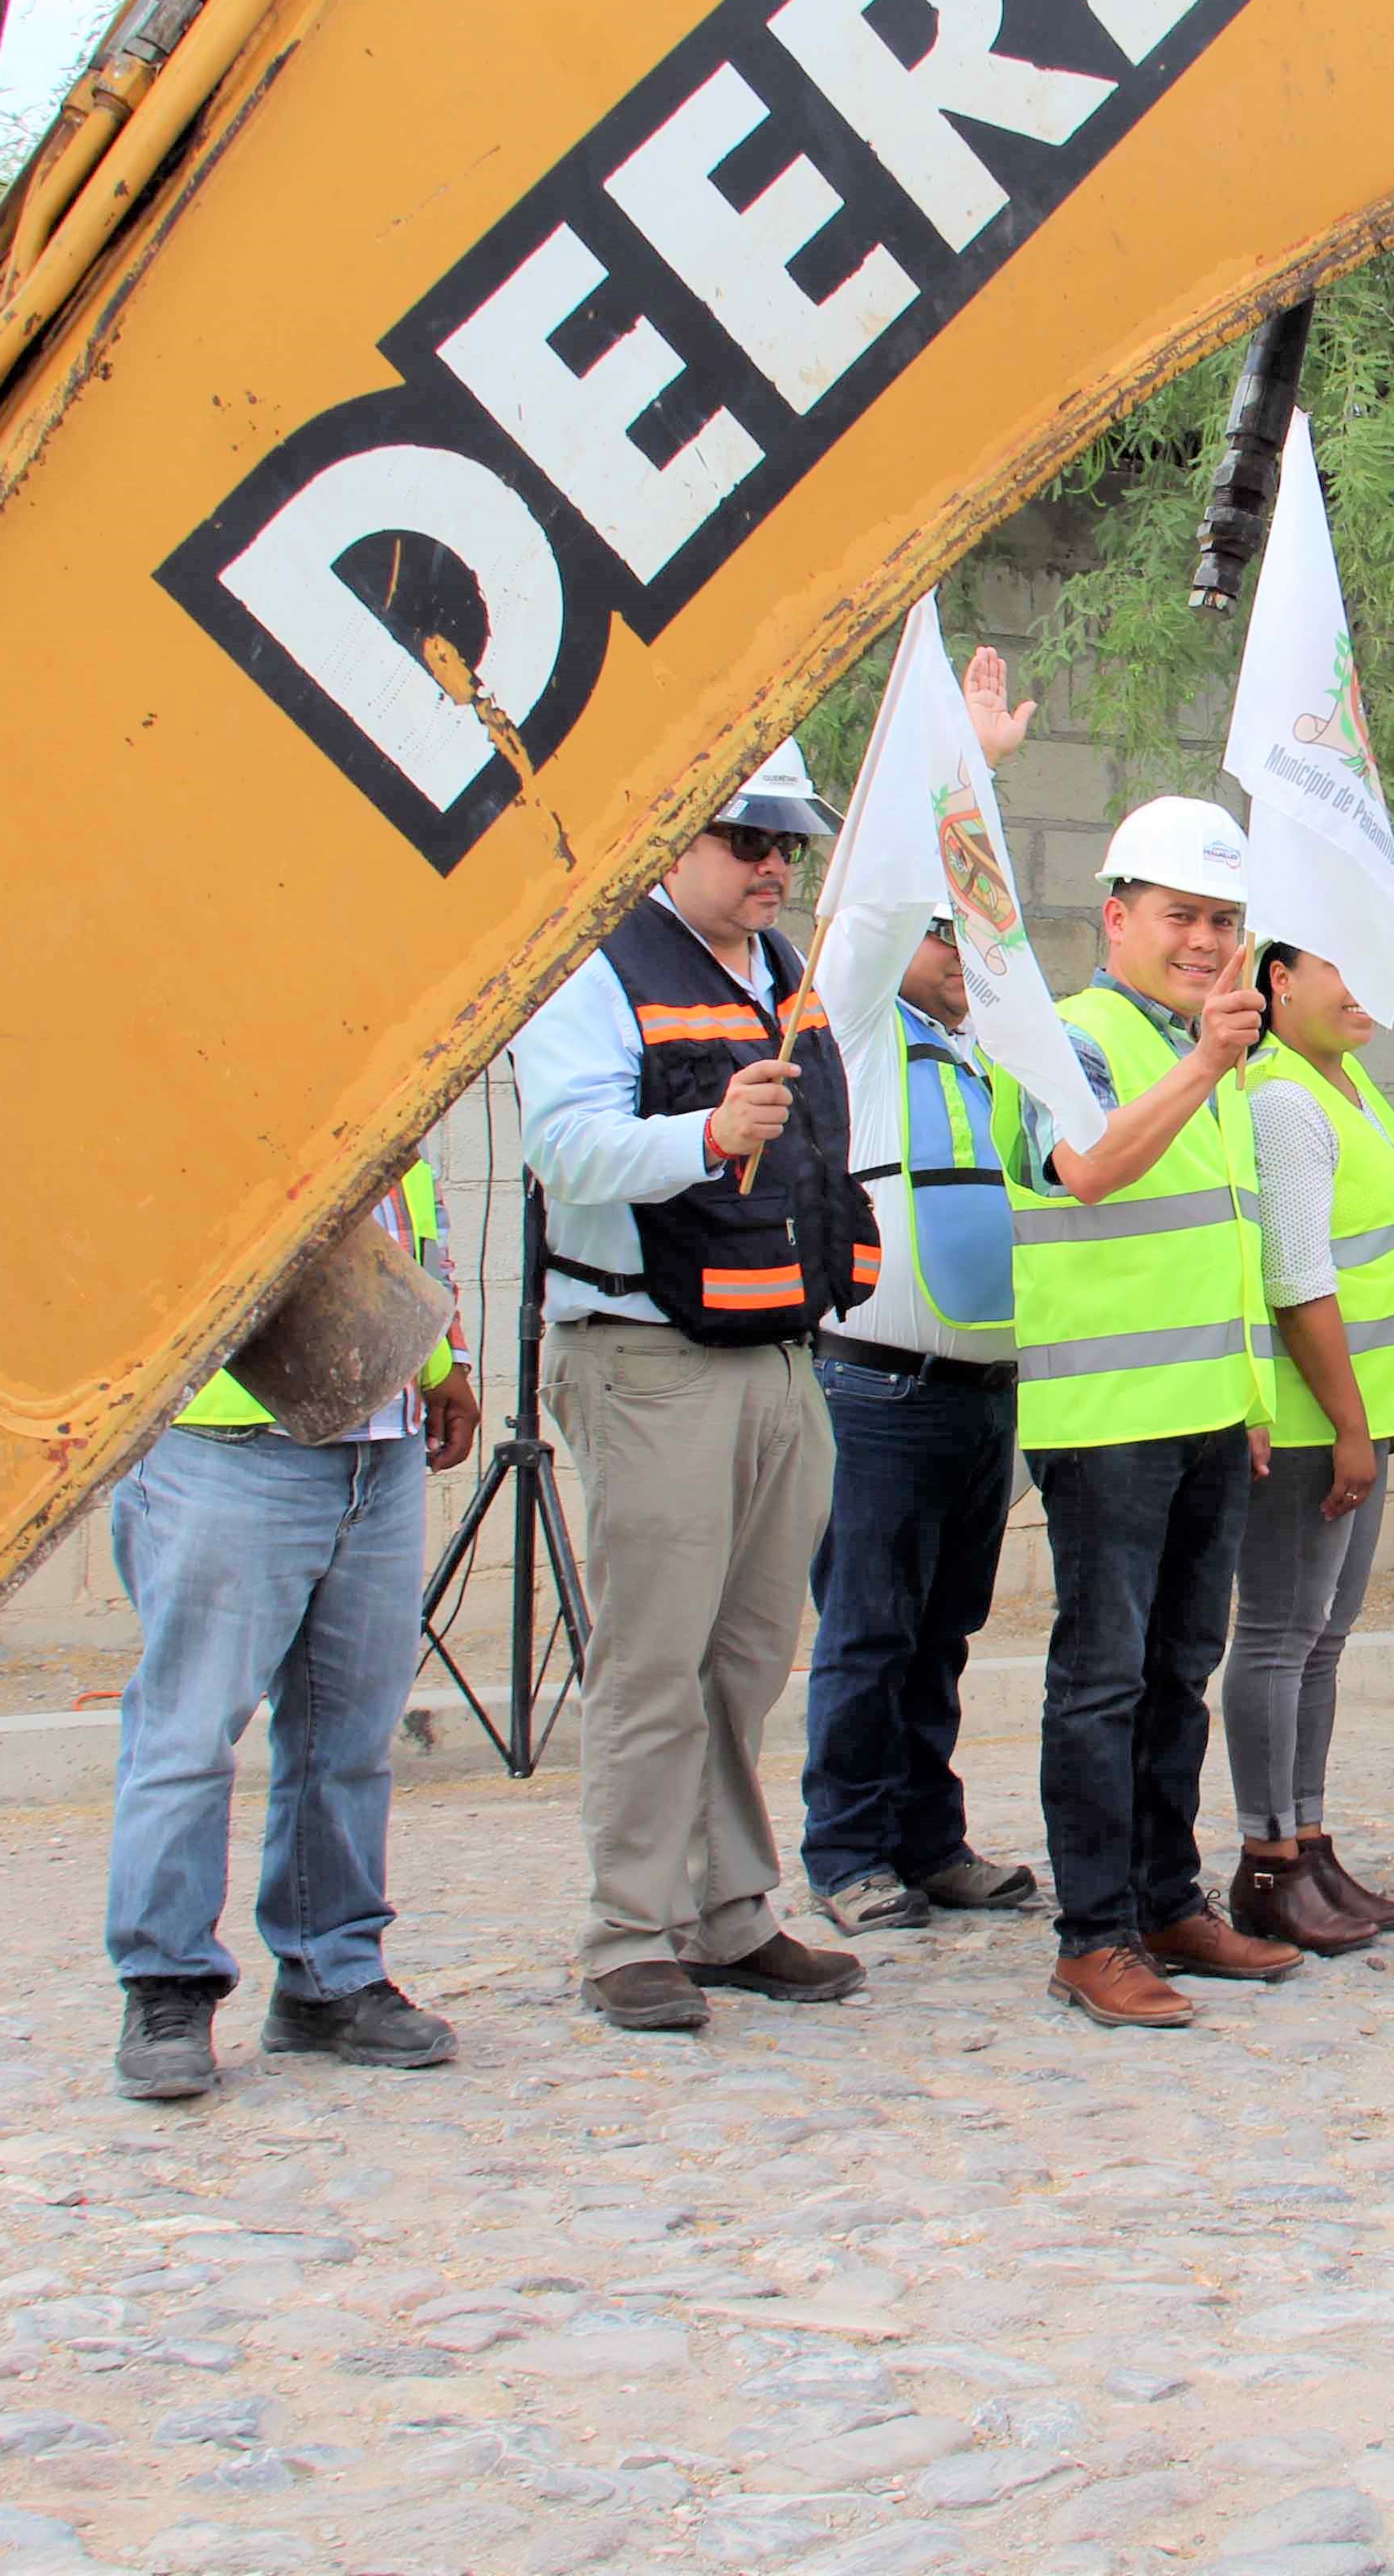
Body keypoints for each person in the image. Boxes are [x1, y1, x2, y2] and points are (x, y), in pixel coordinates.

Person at [512, 744, 878, 2033]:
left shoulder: (783, 973)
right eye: (746, 840)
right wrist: (707, 1137)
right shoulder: (597, 969)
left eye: (786, 844)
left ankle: (728, 1912)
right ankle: (628, 1932)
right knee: (656, 1662)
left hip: (780, 1354)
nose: (773, 863)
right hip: (649, 1358)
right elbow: (565, 1147)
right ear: (674, 839)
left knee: (744, 1660)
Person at [997, 797, 1307, 2028]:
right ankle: (1093, 1936)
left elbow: (1223, 1252)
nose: (1206, 941)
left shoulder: (1209, 1052)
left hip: (1206, 1418)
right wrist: (1204, 1062)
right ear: (1116, 915)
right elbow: (1087, 1167)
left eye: (1226, 921)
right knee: (1103, 1678)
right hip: (1108, 1420)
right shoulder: (1071, 1035)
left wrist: (1251, 1399)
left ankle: (1170, 1898)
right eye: (1183, 916)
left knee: (1180, 1670)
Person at [104, 1157, 478, 2101]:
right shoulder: (205, 1068)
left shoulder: (384, 1061)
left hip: (378, 1449)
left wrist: (445, 1363)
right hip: (228, 1437)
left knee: (348, 1736)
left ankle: (330, 1977)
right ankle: (167, 1985)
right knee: (190, 1733)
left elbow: (407, 1235)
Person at [797, 910, 1045, 1935]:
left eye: (976, 937)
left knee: (944, 1633)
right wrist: (954, 752)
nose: (963, 956)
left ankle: (928, 1841)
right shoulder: (857, 1029)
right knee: (869, 1632)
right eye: (942, 934)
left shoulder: (988, 1056)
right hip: (879, 1390)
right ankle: (846, 1851)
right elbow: (868, 910)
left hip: (983, 1396)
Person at [1222, 939, 1394, 1954]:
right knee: (1277, 1637)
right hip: (1319, 1426)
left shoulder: (1350, 1082)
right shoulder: (1282, 1102)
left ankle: (1309, 1839)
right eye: (1337, 965)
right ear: (1279, 982)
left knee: (1324, 1641)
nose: (1363, 991)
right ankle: (1266, 1863)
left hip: (1365, 1417)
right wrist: (1352, 1427)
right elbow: (1298, 1278)